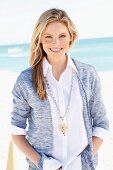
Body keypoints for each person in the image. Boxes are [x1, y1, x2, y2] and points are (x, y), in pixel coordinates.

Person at [11, 8, 109, 170]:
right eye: (48, 37)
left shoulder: (87, 74)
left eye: (62, 36)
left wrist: (84, 161)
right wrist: (45, 164)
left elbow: (101, 124)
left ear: (71, 37)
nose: (56, 43)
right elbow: (16, 131)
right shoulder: (25, 80)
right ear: (40, 39)